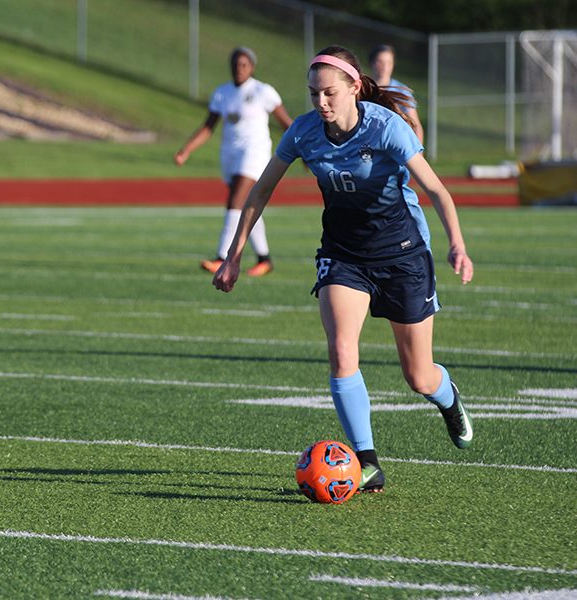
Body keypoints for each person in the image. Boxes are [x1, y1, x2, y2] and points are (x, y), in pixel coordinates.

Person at [213, 46, 475, 493]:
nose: (321, 103)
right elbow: (259, 193)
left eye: (330, 92)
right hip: (344, 255)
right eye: (314, 93)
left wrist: (457, 244)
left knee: (418, 375)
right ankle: (367, 461)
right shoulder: (303, 132)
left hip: (403, 253)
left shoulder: (385, 126)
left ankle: (448, 399)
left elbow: (436, 188)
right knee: (341, 350)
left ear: (355, 87)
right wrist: (234, 254)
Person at [175, 46, 293, 277]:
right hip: (230, 154)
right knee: (247, 204)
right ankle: (264, 258)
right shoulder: (222, 93)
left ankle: (221, 256)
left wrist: (306, 150)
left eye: (244, 65)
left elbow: (287, 123)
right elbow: (208, 127)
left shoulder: (262, 91)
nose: (239, 69)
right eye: (235, 65)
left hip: (255, 153)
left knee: (235, 200)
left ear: (252, 67)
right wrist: (185, 150)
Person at [369, 44, 424, 143]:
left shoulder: (401, 91)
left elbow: (415, 125)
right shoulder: (363, 89)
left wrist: (419, 154)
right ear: (372, 63)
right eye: (380, 62)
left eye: (388, 63)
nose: (384, 67)